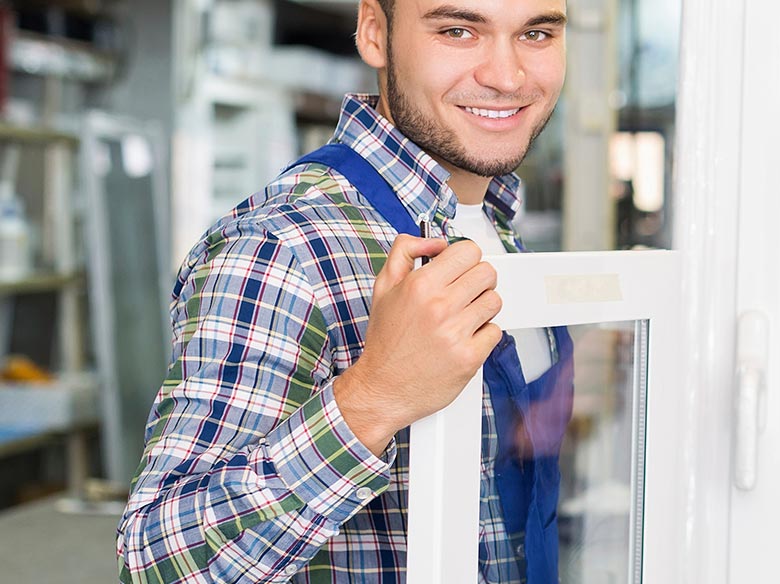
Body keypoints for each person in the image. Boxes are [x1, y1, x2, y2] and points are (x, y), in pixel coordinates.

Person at [116, 0, 572, 582]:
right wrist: (375, 395)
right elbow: (156, 563)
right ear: (376, 33)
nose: (507, 77)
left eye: (536, 33)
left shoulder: (497, 231)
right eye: (458, 30)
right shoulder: (281, 248)